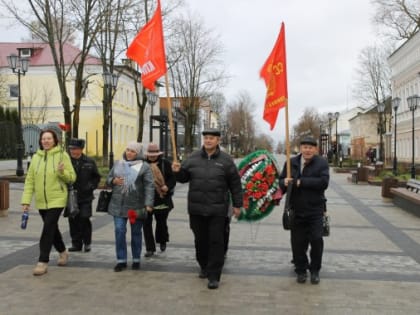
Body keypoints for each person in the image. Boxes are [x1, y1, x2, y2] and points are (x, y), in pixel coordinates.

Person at [171, 128, 243, 290]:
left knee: (216, 241)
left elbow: (235, 184)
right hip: (196, 209)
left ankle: (214, 275)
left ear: (218, 141)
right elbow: (184, 178)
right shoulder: (193, 158)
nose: (208, 141)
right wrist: (177, 172)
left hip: (218, 209)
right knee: (200, 241)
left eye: (212, 138)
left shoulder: (226, 160)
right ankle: (204, 265)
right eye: (206, 138)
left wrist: (237, 205)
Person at [21, 129, 76, 276]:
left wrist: (61, 172)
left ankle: (42, 261)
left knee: (48, 228)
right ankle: (63, 251)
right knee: (52, 228)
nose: (46, 141)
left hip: (57, 198)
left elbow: (72, 178)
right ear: (40, 141)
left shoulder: (62, 155)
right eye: (43, 139)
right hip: (41, 200)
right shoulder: (36, 158)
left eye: (49, 139)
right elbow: (30, 180)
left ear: (55, 140)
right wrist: (26, 201)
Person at [279, 136, 329, 285]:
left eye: (310, 147)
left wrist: (301, 182)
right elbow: (280, 181)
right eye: (305, 147)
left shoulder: (321, 163)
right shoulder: (291, 163)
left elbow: (323, 182)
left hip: (315, 210)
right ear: (300, 148)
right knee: (298, 243)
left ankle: (314, 270)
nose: (307, 150)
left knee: (316, 240)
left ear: (315, 149)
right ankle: (301, 270)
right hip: (297, 209)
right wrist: (284, 182)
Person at [106, 142, 154, 272]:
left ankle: (136, 259)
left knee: (136, 233)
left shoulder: (144, 167)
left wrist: (149, 204)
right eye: (128, 150)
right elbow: (108, 178)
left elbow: (150, 186)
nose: (129, 153)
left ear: (138, 153)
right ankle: (121, 260)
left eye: (133, 151)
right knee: (119, 231)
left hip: (136, 206)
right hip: (118, 205)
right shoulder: (119, 163)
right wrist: (113, 181)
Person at [67, 138, 101, 252]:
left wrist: (91, 186)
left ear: (81, 149)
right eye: (71, 149)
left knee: (84, 218)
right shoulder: (66, 161)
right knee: (73, 220)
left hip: (86, 196)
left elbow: (96, 177)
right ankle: (76, 243)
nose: (72, 151)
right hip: (71, 196)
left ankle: (87, 242)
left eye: (75, 149)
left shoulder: (89, 161)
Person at [143, 143, 176, 257]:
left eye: (154, 154)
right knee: (146, 223)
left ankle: (162, 240)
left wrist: (167, 186)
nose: (152, 156)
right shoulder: (143, 164)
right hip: (146, 198)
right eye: (150, 154)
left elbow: (173, 178)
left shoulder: (165, 163)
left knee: (161, 222)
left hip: (162, 198)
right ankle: (150, 248)